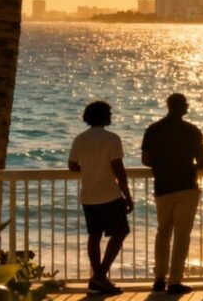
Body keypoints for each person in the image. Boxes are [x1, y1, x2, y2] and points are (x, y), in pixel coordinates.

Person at [141, 93, 203, 294]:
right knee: (181, 235)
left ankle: (159, 278)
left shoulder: (153, 129)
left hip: (162, 187)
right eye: (186, 104)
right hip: (187, 186)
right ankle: (175, 281)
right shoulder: (192, 130)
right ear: (183, 107)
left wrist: (163, 166)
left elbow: (146, 159)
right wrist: (192, 166)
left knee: (163, 232)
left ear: (168, 106)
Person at [68, 101, 133, 295]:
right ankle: (100, 276)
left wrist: (88, 169)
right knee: (120, 233)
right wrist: (127, 195)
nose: (111, 117)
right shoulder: (111, 138)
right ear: (104, 117)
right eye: (110, 114)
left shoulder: (80, 139)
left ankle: (99, 278)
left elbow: (72, 165)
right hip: (110, 195)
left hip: (88, 195)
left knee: (94, 236)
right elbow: (119, 171)